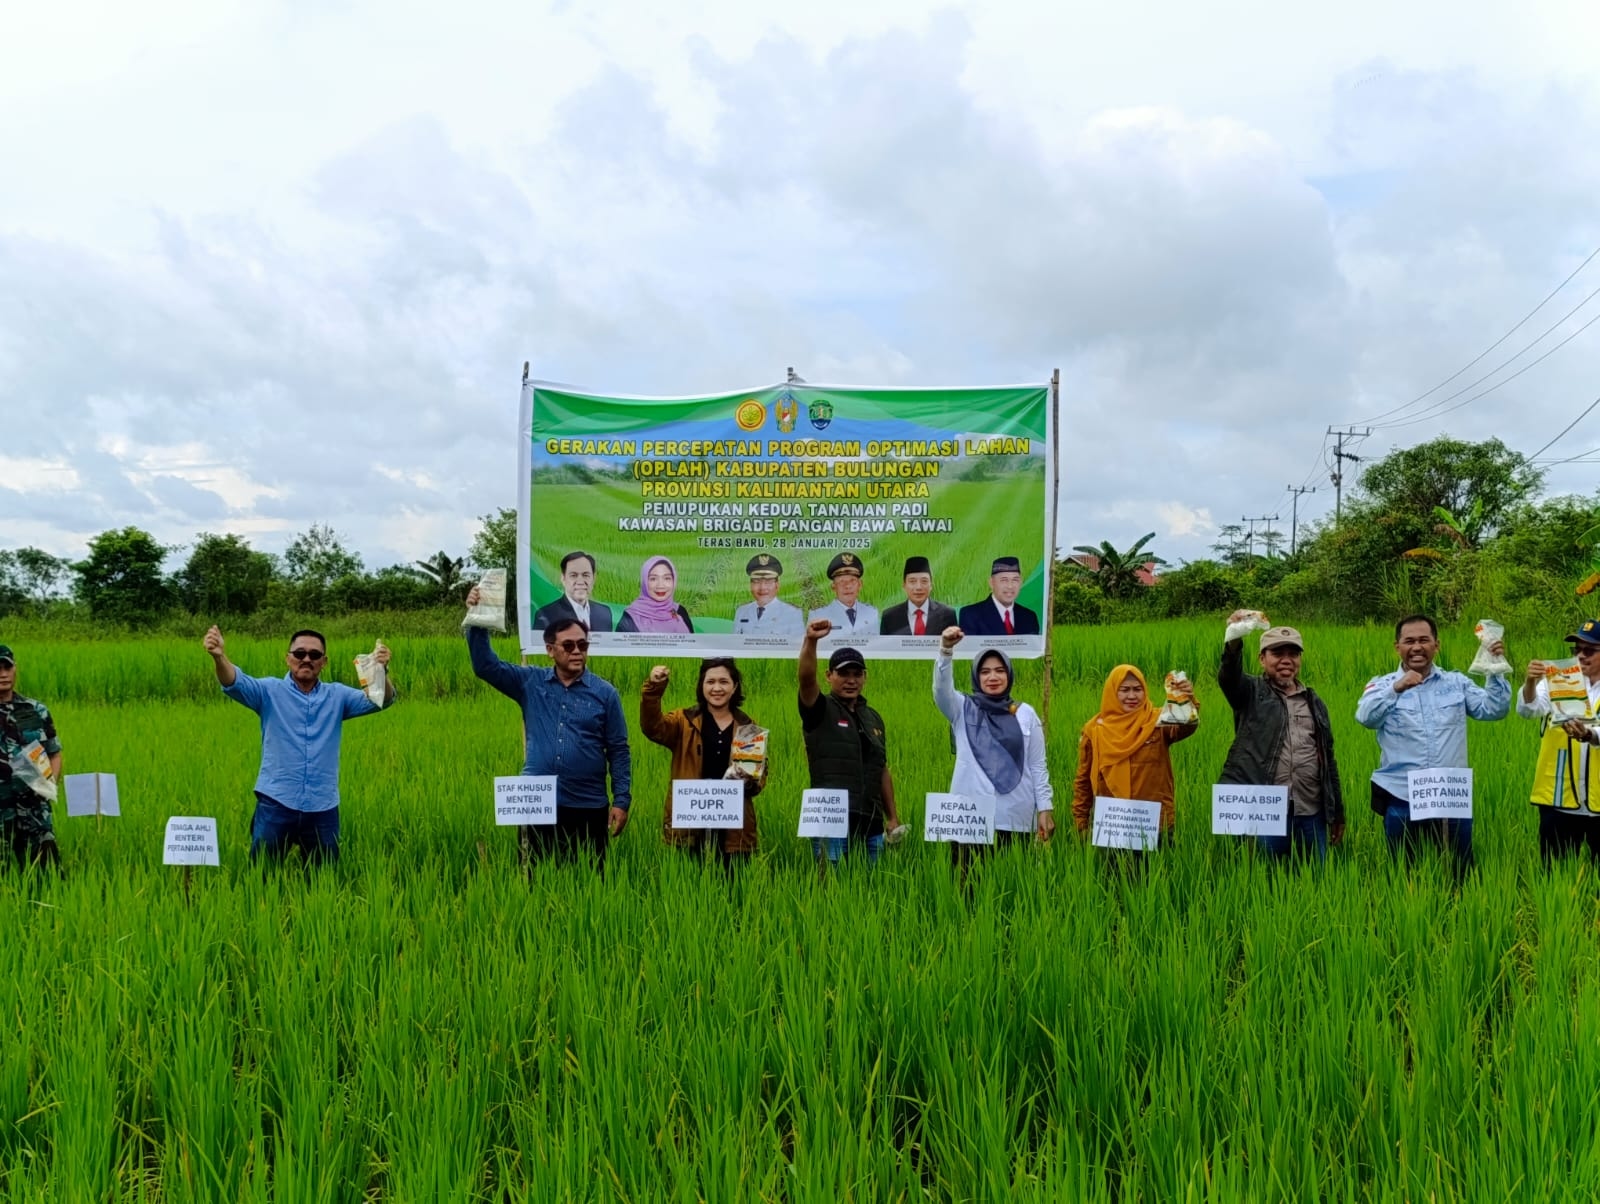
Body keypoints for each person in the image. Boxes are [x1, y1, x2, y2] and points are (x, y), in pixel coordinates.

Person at [466, 589, 632, 870]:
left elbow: (618, 750)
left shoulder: (605, 693)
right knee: (534, 878)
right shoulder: (530, 682)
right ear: (550, 650)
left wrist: (622, 800)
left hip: (588, 805)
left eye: (583, 645)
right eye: (568, 646)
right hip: (536, 801)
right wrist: (478, 620)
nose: (577, 651)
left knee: (587, 882)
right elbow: (485, 666)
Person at [206, 626, 396, 864]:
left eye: (315, 655)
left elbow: (381, 700)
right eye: (299, 653)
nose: (306, 659)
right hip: (276, 801)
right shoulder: (269, 692)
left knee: (322, 880)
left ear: (324, 662)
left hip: (322, 806)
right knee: (263, 874)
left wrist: (381, 671)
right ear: (288, 658)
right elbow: (235, 682)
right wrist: (219, 656)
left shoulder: (337, 696)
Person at [1355, 614, 1510, 874]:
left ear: (1436, 645)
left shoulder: (1456, 683)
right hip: (1400, 794)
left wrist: (1494, 667)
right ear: (1398, 647)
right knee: (1403, 872)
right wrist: (1397, 688)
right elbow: (1365, 718)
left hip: (1449, 795)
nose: (1417, 647)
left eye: (1424, 640)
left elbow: (1493, 709)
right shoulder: (1381, 684)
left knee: (1458, 870)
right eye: (1409, 641)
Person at [1217, 618, 1344, 861]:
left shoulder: (1314, 702)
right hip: (1265, 811)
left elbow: (1329, 761)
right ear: (1262, 659)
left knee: (1315, 880)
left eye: (1293, 653)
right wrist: (1233, 639)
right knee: (1267, 882)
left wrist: (1337, 812)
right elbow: (1228, 677)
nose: (1286, 659)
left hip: (1311, 810)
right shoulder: (1250, 693)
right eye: (1277, 653)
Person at [933, 627, 1053, 869]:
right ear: (977, 677)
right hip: (971, 818)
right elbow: (940, 691)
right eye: (985, 672)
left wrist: (1045, 808)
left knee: (1012, 891)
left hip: (1015, 815)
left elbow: (1037, 766)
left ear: (1009, 674)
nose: (993, 677)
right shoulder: (962, 708)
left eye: (999, 670)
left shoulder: (1025, 713)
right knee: (967, 890)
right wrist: (945, 650)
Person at [639, 659, 767, 869]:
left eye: (724, 682)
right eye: (711, 682)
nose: (717, 688)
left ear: (734, 686)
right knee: (691, 888)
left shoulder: (748, 727)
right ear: (702, 685)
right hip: (691, 819)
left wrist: (750, 781)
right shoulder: (684, 721)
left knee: (733, 888)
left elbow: (759, 776)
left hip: (733, 825)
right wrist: (653, 689)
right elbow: (652, 727)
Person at [798, 619, 902, 867]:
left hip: (871, 819)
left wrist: (893, 818)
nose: (851, 680)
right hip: (830, 818)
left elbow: (882, 769)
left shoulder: (873, 717)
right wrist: (811, 641)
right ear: (829, 676)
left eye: (857, 674)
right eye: (843, 673)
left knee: (873, 887)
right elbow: (805, 679)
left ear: (865, 677)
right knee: (830, 888)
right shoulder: (819, 708)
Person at [1072, 664, 1197, 840]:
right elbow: (1083, 780)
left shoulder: (1157, 720)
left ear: (1145, 691)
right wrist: (1081, 822)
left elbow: (1184, 727)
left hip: (1154, 824)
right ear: (1112, 692)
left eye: (1137, 689)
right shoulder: (1094, 730)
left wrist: (1186, 700)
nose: (1132, 696)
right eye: (1124, 690)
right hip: (1113, 824)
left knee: (1155, 868)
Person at [1517, 617, 1600, 864]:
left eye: (1590, 651)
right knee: (1555, 873)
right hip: (1560, 798)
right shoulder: (1561, 678)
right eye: (1576, 650)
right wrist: (1530, 682)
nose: (1581, 656)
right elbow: (1528, 710)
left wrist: (1590, 735)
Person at [0, 644, 63, 871]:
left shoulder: (36, 710)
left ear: (15, 669)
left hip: (35, 812)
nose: (3, 674)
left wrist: (50, 784)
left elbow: (54, 753)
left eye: (7, 667)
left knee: (46, 874)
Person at [532, 550, 614, 634]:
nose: (580, 581)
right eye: (573, 575)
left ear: (594, 578)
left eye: (586, 575)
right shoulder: (546, 615)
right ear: (563, 579)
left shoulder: (605, 613)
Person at [957, 556, 1041, 636]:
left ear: (1020, 582)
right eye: (1004, 580)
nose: (1010, 586)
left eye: (1015, 580)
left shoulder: (1029, 617)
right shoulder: (970, 615)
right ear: (991, 583)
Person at [881, 555, 957, 636]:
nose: (918, 587)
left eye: (924, 581)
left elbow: (954, 646)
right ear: (904, 585)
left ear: (931, 585)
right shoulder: (889, 617)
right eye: (912, 581)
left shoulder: (948, 614)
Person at [732, 553, 805, 635]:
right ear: (751, 585)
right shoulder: (742, 611)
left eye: (768, 581)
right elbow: (735, 643)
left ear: (777, 585)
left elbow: (797, 645)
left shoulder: (793, 613)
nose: (762, 587)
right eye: (757, 581)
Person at [617, 556, 693, 634]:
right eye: (653, 579)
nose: (660, 585)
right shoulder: (631, 616)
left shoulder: (679, 611)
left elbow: (693, 643)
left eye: (667, 578)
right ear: (644, 583)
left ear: (674, 581)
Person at [808, 553, 879, 634]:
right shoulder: (817, 616)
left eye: (852, 580)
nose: (848, 586)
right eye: (842, 581)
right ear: (833, 587)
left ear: (860, 585)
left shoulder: (872, 612)